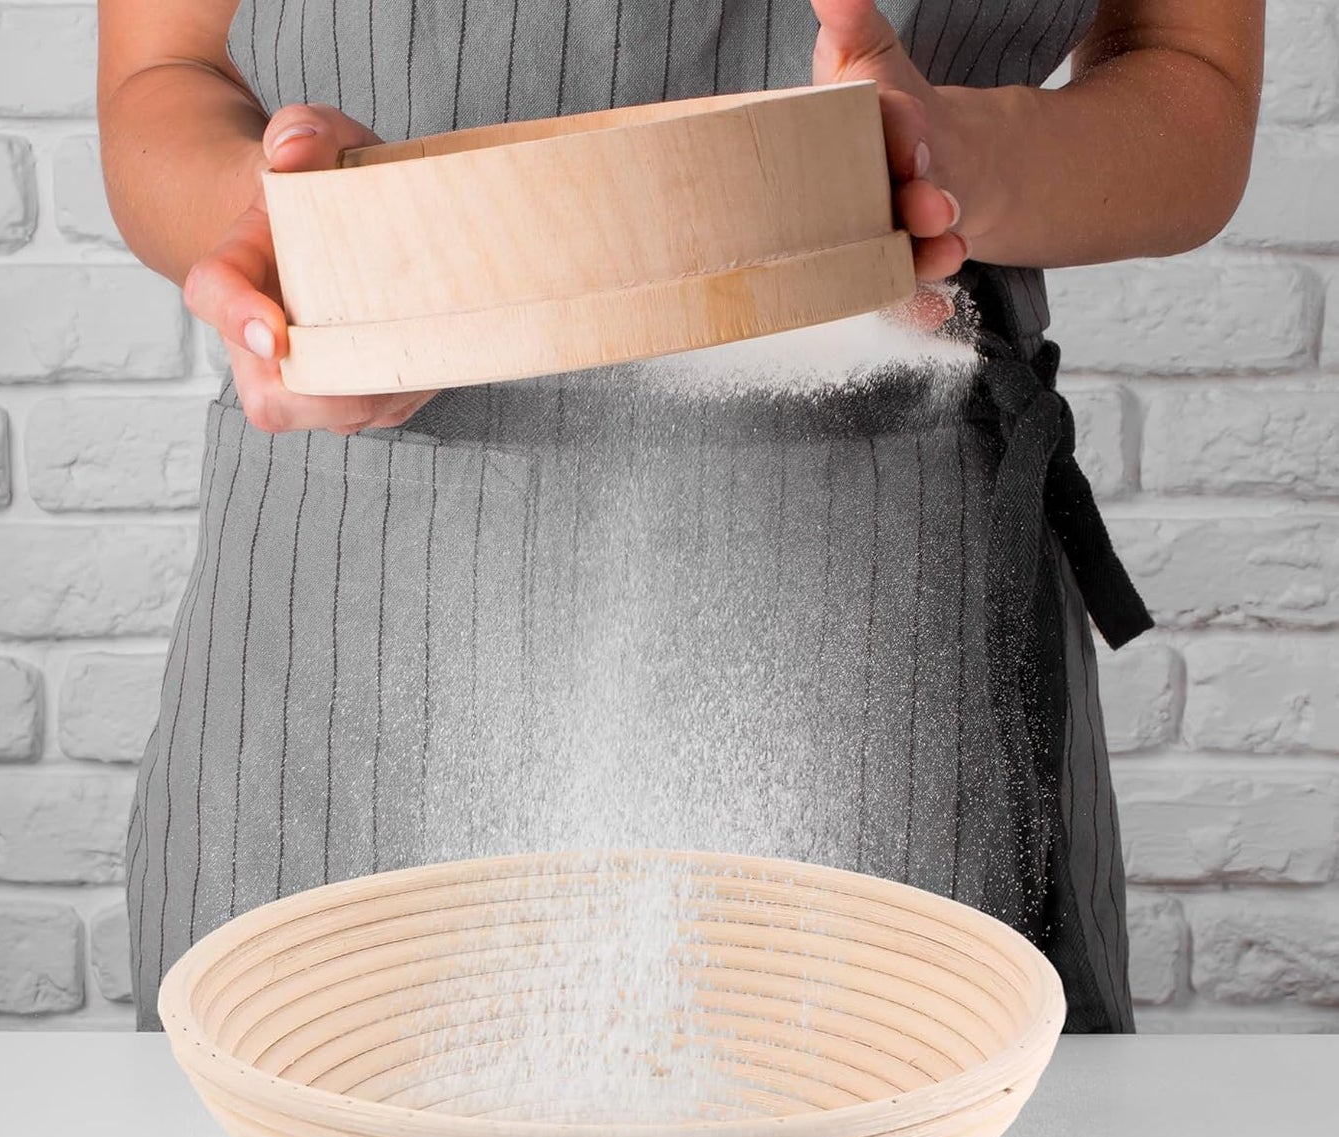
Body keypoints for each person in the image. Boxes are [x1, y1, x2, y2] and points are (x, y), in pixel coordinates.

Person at [100, 0, 1262, 1034]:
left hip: (890, 583)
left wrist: (954, 161)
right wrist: (282, 241)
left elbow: (1183, 73)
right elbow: (164, 68)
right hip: (351, 589)